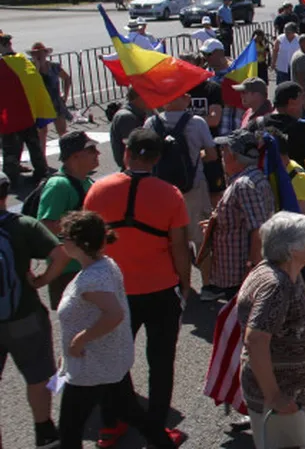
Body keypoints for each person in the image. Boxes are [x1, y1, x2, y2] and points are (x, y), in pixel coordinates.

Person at [38, 211, 184, 449]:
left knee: (70, 430)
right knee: (132, 413)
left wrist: (80, 340)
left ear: (79, 243)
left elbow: (114, 314)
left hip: (91, 367)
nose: (61, 240)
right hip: (108, 362)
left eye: (64, 236)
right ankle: (163, 443)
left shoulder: (92, 279)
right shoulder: (105, 264)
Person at [83, 129, 190, 445]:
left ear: (126, 153)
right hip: (159, 289)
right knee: (160, 361)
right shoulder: (170, 194)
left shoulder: (98, 191)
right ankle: (156, 426)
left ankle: (111, 422)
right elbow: (179, 247)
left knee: (111, 358)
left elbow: (88, 244)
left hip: (113, 289)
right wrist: (184, 282)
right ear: (157, 159)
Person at [238, 213, 305, 449]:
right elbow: (256, 340)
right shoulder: (275, 286)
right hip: (280, 396)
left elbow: (296, 305)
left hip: (295, 389)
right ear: (292, 249)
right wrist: (274, 397)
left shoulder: (286, 271)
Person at [0, 171, 62, 449]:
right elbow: (60, 255)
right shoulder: (23, 225)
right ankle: (44, 430)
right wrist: (41, 280)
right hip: (24, 313)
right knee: (38, 374)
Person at [146, 90, 219, 275]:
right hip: (193, 186)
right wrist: (196, 158)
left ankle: (180, 281)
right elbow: (212, 155)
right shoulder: (196, 123)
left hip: (163, 191)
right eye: (184, 95)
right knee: (200, 237)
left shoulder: (151, 123)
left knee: (173, 239)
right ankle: (207, 283)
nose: (189, 98)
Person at [201, 129, 275, 301]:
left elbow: (258, 230)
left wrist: (253, 269)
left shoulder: (243, 185)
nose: (221, 154)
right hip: (237, 274)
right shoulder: (251, 178)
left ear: (234, 156)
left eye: (224, 150)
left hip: (240, 275)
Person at [36, 131, 98, 309]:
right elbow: (46, 226)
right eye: (91, 150)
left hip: (88, 264)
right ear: (75, 156)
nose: (98, 153)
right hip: (68, 271)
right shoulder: (58, 186)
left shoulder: (87, 181)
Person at [260, 82, 305, 182]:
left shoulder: (257, 124)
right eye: (301, 99)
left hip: (264, 190)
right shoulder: (302, 129)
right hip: (295, 191)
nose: (303, 103)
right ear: (291, 102)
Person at [28, 43, 71, 148]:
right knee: (42, 133)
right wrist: (37, 69)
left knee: (62, 131)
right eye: (35, 53)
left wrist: (65, 95)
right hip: (41, 104)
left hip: (55, 102)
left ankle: (68, 156)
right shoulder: (30, 69)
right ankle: (43, 161)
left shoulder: (54, 67)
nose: (38, 55)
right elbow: (31, 84)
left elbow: (67, 78)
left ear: (45, 53)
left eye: (40, 52)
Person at [108, 87, 149, 169]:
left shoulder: (137, 113)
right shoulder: (127, 118)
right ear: (140, 97)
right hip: (133, 168)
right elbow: (134, 149)